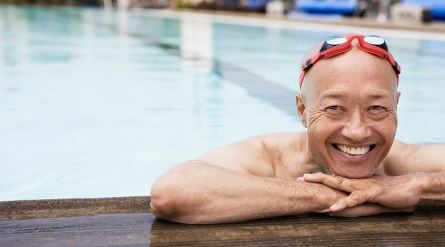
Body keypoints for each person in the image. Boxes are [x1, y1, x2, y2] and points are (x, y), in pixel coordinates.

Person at [150, 34, 445, 224]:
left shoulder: (402, 163)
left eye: (377, 109)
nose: (357, 131)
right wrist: (325, 196)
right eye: (334, 108)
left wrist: (416, 185)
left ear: (396, 107)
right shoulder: (267, 157)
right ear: (302, 111)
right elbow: (171, 193)